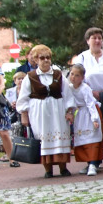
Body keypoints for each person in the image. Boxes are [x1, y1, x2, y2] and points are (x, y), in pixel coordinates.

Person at [16, 44, 76, 178]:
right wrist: (24, 115)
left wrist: (69, 111)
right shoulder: (30, 77)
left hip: (58, 111)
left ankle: (63, 168)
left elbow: (67, 94)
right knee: (43, 139)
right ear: (36, 60)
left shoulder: (58, 75)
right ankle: (48, 169)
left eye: (48, 57)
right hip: (40, 113)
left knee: (60, 137)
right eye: (42, 58)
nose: (46, 60)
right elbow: (23, 98)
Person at [74, 27, 103, 163]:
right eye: (94, 38)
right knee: (95, 128)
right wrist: (91, 92)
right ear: (88, 41)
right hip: (92, 99)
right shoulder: (82, 57)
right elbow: (78, 77)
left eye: (99, 38)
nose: (97, 41)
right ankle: (93, 159)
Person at [68, 63, 103, 176]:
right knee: (83, 138)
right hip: (80, 115)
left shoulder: (85, 88)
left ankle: (93, 164)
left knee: (92, 139)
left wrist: (94, 119)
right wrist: (71, 114)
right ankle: (89, 163)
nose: (73, 77)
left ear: (82, 77)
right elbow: (72, 103)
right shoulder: (70, 88)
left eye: (77, 75)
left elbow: (90, 104)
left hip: (89, 113)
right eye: (72, 74)